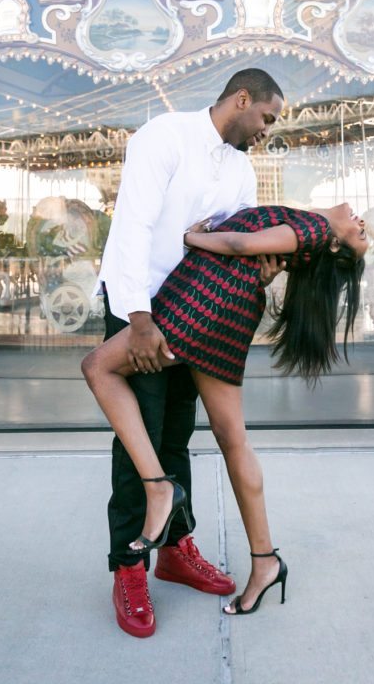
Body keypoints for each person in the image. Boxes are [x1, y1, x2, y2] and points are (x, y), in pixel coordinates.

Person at [83, 201, 367, 619]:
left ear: (336, 245)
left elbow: (239, 242)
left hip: (205, 299)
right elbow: (252, 242)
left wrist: (188, 237)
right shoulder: (310, 224)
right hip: (229, 307)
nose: (362, 223)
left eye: (360, 236)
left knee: (97, 367)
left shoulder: (316, 230)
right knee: (232, 438)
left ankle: (158, 487)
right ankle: (265, 560)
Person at [94, 69, 285, 638]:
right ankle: (129, 567)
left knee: (176, 434)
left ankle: (175, 549)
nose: (266, 132)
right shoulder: (163, 137)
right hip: (145, 311)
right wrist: (139, 318)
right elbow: (133, 227)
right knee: (140, 444)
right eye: (267, 118)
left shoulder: (242, 168)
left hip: (195, 314)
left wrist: (262, 266)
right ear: (241, 99)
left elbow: (235, 240)